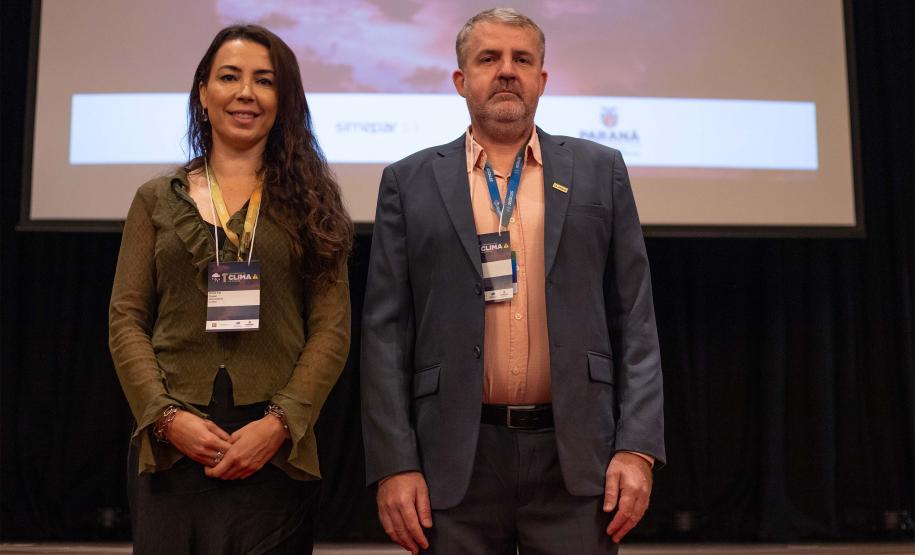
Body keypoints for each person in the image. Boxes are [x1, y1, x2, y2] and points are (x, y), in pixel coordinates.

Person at [361, 8, 664, 554]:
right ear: (460, 80)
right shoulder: (407, 182)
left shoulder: (602, 169)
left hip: (577, 460)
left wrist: (637, 447)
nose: (506, 71)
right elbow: (385, 334)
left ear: (542, 79)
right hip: (452, 462)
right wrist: (394, 464)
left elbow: (635, 317)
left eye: (521, 59)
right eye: (488, 59)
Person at [109, 24, 352, 554]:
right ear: (203, 92)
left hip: (275, 449)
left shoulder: (313, 203)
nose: (246, 92)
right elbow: (126, 320)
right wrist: (166, 418)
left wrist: (279, 424)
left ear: (282, 100)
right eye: (229, 77)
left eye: (264, 81)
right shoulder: (154, 198)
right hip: (172, 447)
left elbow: (331, 332)